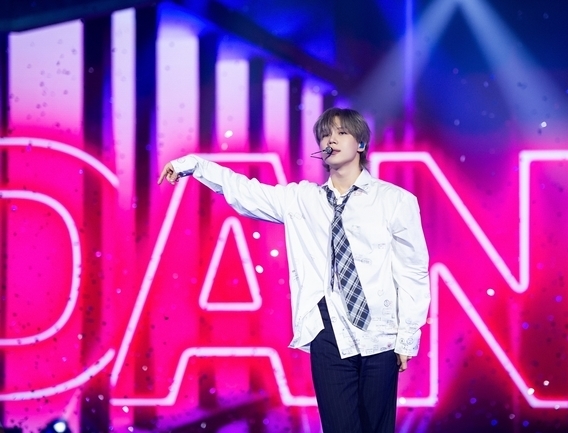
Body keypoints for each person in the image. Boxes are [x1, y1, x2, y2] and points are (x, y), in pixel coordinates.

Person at [158, 107, 430, 433]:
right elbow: (245, 191)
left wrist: (407, 337)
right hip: (327, 332)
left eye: (341, 133)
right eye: (325, 135)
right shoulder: (302, 199)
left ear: (361, 144)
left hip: (380, 332)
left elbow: (413, 270)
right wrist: (194, 165)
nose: (331, 140)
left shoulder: (395, 200)